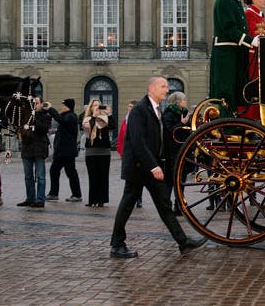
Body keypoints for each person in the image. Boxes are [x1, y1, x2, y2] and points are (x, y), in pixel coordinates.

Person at [109, 76, 207, 259]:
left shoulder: (155, 109)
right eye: (163, 86)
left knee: (164, 205)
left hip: (150, 167)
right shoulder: (139, 110)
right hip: (139, 168)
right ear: (151, 88)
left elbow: (158, 140)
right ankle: (116, 245)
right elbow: (138, 142)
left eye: (167, 87)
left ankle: (183, 242)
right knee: (127, 205)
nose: (166, 90)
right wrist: (153, 166)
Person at [201, 0, 254, 116]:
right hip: (226, 53)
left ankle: (232, 121)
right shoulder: (224, 0)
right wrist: (251, 41)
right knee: (226, 90)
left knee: (235, 89)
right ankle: (226, 126)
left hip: (234, 52)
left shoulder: (233, 0)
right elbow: (230, 29)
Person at [240, 0, 265, 118]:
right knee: (253, 87)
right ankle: (250, 118)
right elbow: (252, 36)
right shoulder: (249, 14)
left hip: (259, 56)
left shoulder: (259, 14)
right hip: (252, 58)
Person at [18, 97, 55, 208]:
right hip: (27, 148)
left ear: (41, 104)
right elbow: (19, 129)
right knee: (28, 176)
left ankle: (40, 200)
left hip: (39, 148)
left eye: (36, 103)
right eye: (32, 103)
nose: (34, 105)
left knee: (40, 176)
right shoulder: (24, 116)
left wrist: (33, 117)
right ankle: (30, 198)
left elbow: (44, 129)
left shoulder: (46, 116)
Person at [47, 98, 83, 202]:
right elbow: (58, 117)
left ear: (67, 106)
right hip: (62, 151)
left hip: (67, 151)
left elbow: (59, 119)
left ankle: (76, 194)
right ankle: (55, 193)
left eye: (63, 105)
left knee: (69, 172)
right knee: (56, 171)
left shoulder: (71, 116)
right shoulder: (65, 115)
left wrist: (50, 109)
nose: (61, 107)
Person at [82, 99, 115, 208]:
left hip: (104, 151)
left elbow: (113, 127)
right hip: (91, 151)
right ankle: (92, 200)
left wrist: (109, 114)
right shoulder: (87, 119)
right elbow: (88, 128)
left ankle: (101, 200)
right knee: (93, 176)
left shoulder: (105, 118)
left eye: (99, 105)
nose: (96, 107)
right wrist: (94, 116)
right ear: (90, 107)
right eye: (94, 105)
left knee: (103, 176)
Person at [117, 100, 140, 209]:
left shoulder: (137, 119)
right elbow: (121, 137)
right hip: (126, 153)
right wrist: (121, 151)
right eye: (128, 106)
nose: (129, 108)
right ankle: (130, 199)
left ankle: (138, 199)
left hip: (136, 153)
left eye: (131, 106)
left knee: (137, 178)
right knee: (129, 178)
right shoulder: (125, 120)